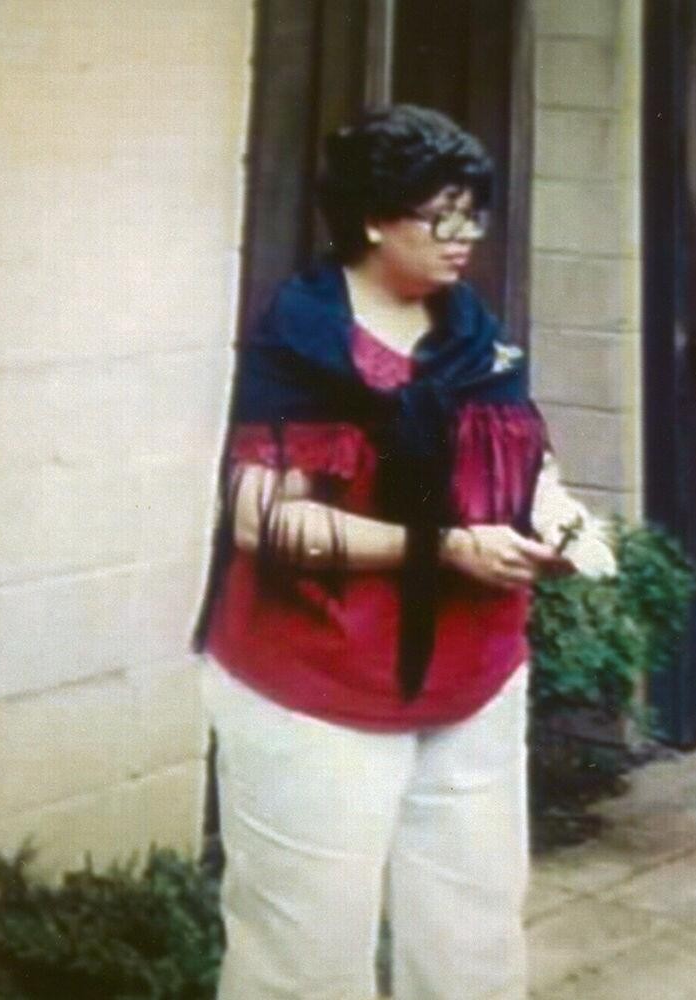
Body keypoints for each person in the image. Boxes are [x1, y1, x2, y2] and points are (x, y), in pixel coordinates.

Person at [190, 104, 614, 1000]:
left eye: (473, 213)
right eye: (441, 214)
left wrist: (561, 521)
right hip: (315, 678)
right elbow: (261, 521)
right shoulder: (302, 339)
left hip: (475, 675)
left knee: (473, 939)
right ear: (375, 218)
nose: (465, 237)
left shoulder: (474, 334)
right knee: (304, 957)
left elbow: (522, 463)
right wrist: (446, 549)